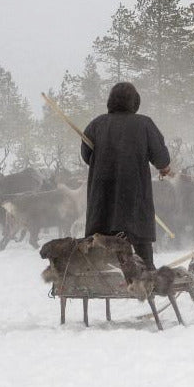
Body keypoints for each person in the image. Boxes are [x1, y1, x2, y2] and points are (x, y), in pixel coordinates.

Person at [81, 82, 171, 270]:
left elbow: (86, 156)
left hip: (102, 203)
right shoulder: (144, 124)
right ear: (135, 102)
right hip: (134, 201)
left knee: (99, 246)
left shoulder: (96, 125)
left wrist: (105, 163)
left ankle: (97, 275)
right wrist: (164, 168)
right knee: (143, 256)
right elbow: (161, 159)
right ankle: (146, 277)